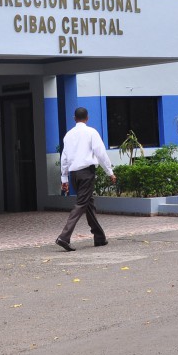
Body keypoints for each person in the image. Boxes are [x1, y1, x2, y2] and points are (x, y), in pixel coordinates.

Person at [55, 106, 116, 251]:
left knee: (88, 204)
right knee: (82, 204)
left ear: (74, 118)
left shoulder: (68, 135)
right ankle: (64, 237)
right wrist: (110, 172)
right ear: (87, 118)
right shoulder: (91, 132)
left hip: (74, 174)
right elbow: (100, 153)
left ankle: (99, 237)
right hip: (87, 173)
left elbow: (64, 158)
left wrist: (64, 179)